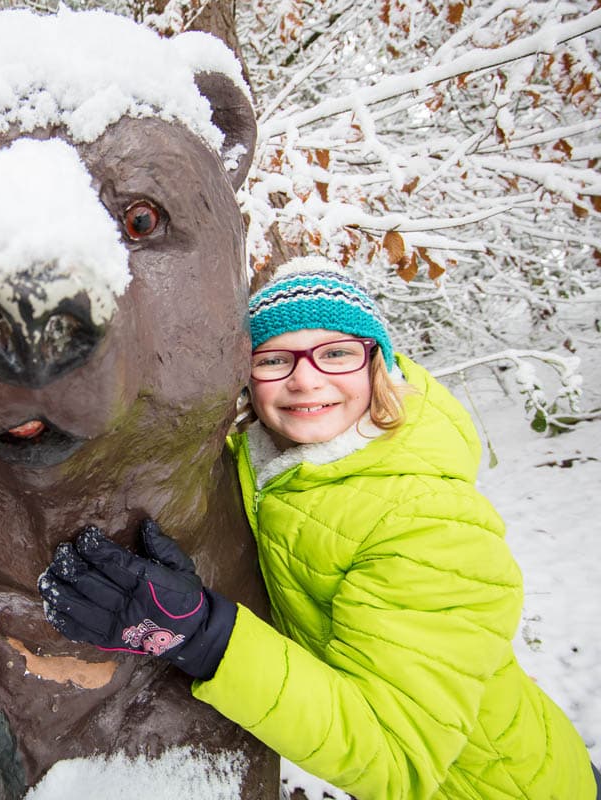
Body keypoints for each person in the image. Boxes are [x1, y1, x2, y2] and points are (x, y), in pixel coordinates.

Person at [39, 256, 597, 799]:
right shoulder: (270, 463)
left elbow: (395, 757)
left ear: (377, 364)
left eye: (335, 353)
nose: (305, 380)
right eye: (274, 359)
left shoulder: (429, 523)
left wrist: (205, 634)